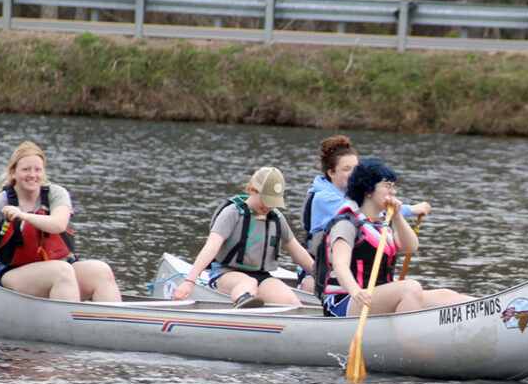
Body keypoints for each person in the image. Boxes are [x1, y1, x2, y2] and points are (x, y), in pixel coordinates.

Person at [0, 141, 121, 311]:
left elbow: (59, 225)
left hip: (59, 270)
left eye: (38, 170)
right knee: (61, 271)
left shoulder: (57, 194)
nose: (33, 175)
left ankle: (114, 329)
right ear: (13, 172)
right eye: (26, 170)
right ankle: (69, 328)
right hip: (16, 273)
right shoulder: (1, 203)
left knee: (101, 270)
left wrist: (24, 215)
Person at [316, 157, 471, 317]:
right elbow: (340, 266)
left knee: (448, 297)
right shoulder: (347, 223)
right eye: (387, 186)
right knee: (410, 288)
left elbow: (410, 247)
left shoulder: (384, 221)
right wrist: (356, 291)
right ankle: (407, 339)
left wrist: (397, 216)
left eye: (394, 187)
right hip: (345, 302)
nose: (393, 192)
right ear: (368, 190)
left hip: (375, 297)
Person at [173, 167, 314, 308]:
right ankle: (245, 303)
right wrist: (190, 281)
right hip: (226, 273)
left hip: (262, 276)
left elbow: (299, 253)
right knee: (248, 283)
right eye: (265, 201)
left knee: (293, 304)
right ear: (252, 190)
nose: (268, 207)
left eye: (273, 202)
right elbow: (210, 248)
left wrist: (324, 279)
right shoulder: (232, 214)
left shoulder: (276, 217)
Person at [301, 135, 432, 260]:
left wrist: (397, 215)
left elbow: (409, 247)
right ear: (331, 173)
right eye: (347, 169)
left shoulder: (370, 210)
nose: (353, 174)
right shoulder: (324, 198)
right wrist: (411, 209)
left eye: (356, 168)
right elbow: (367, 209)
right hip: (315, 272)